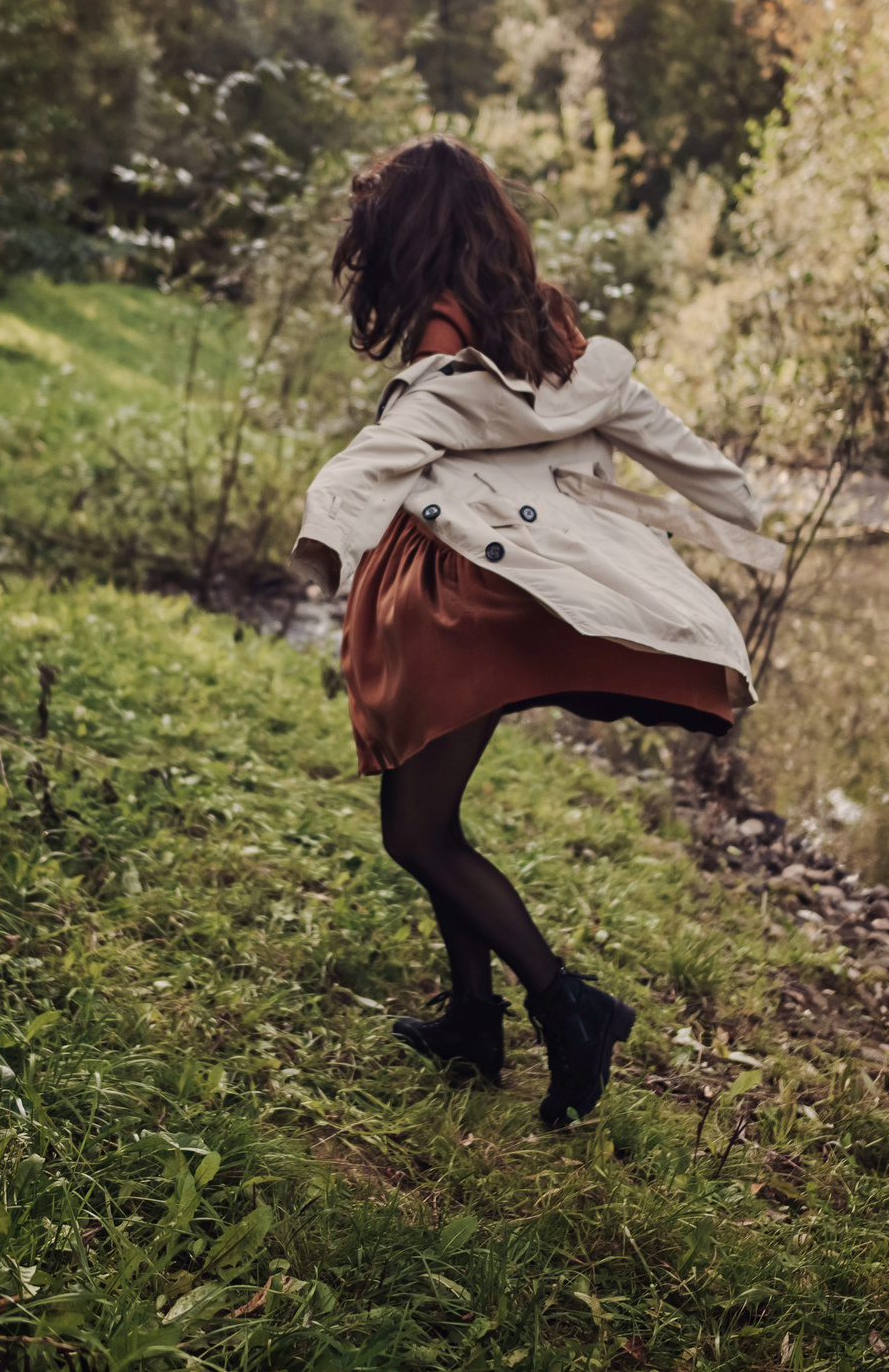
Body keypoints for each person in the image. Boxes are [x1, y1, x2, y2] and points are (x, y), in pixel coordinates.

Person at [290, 134, 781, 1128]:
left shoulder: (444, 341)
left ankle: (568, 1004)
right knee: (430, 810)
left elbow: (386, 452)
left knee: (416, 829)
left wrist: (322, 540)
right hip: (484, 591)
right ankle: (473, 1021)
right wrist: (742, 510)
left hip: (449, 596)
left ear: (408, 234)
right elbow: (656, 427)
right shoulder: (539, 329)